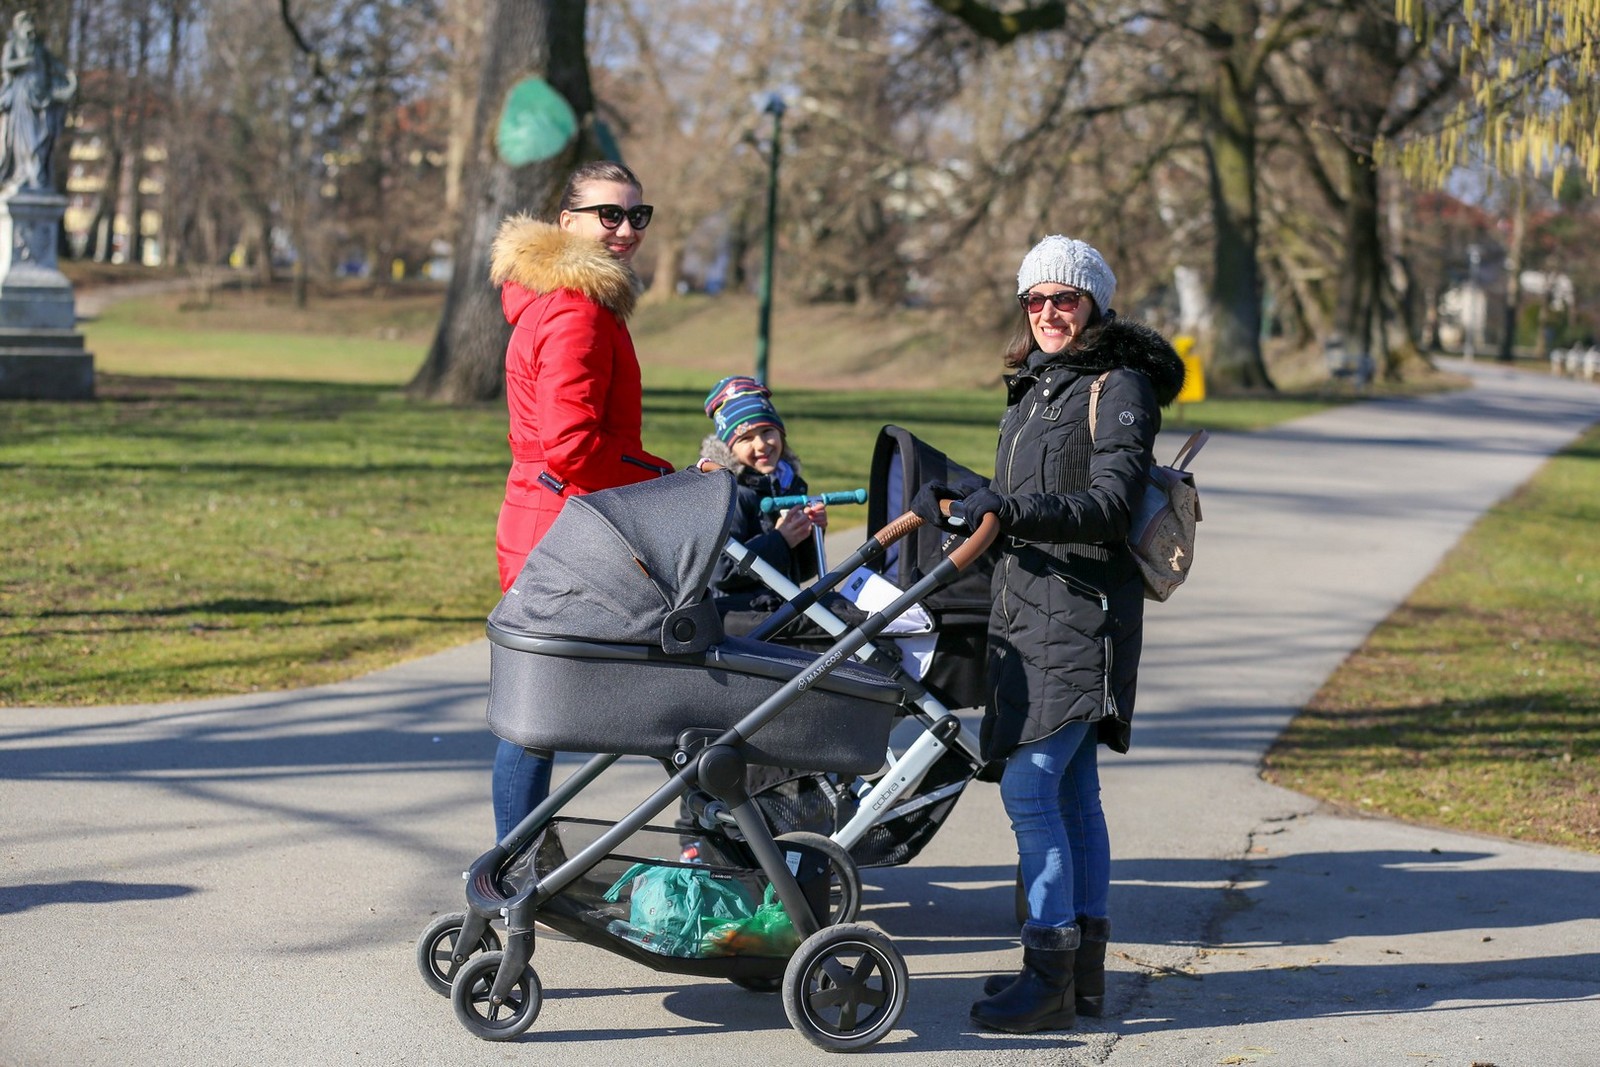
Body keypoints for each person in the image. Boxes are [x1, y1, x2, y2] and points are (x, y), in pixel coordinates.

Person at [911, 234, 1184, 1034]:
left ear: (1093, 302)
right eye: (1034, 301)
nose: (1048, 313)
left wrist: (1010, 513)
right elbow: (1024, 489)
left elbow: (1105, 503)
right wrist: (965, 495)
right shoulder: (1035, 386)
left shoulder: (1120, 384)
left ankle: (1050, 965)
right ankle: (1077, 975)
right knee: (1071, 790)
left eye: (1064, 298)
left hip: (1082, 612)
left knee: (1033, 786)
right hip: (1027, 608)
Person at [487, 160, 673, 840]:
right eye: (609, 215)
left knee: (537, 710)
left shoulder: (564, 297)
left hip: (549, 515)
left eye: (637, 215)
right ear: (567, 223)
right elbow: (571, 445)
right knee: (545, 714)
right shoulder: (578, 310)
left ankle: (524, 851)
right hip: (563, 529)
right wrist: (667, 479)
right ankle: (517, 862)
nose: (625, 229)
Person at [698, 375, 826, 613]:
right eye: (746, 438)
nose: (761, 445)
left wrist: (810, 534)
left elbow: (804, 571)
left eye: (768, 431)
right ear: (729, 449)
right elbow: (720, 572)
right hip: (737, 617)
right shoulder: (728, 493)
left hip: (779, 608)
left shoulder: (790, 485)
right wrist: (781, 539)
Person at [0, 10, 76, 193]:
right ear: (18, 27)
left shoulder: (40, 49)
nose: (29, 28)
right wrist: (23, 62)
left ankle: (37, 178)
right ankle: (22, 175)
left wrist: (71, 79)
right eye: (25, 23)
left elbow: (57, 67)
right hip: (22, 99)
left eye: (31, 23)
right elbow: (6, 65)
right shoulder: (13, 45)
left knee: (41, 138)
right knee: (22, 143)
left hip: (41, 99)